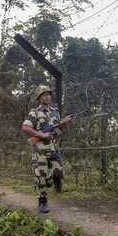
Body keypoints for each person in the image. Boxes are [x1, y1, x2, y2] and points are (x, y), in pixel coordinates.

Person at [21, 85, 72, 213]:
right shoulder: (35, 112)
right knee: (41, 177)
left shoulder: (55, 111)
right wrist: (42, 135)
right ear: (39, 98)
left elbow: (58, 131)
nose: (47, 96)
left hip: (53, 148)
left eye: (48, 94)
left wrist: (63, 125)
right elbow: (25, 127)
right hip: (40, 150)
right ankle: (42, 202)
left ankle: (52, 183)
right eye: (44, 95)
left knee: (59, 172)